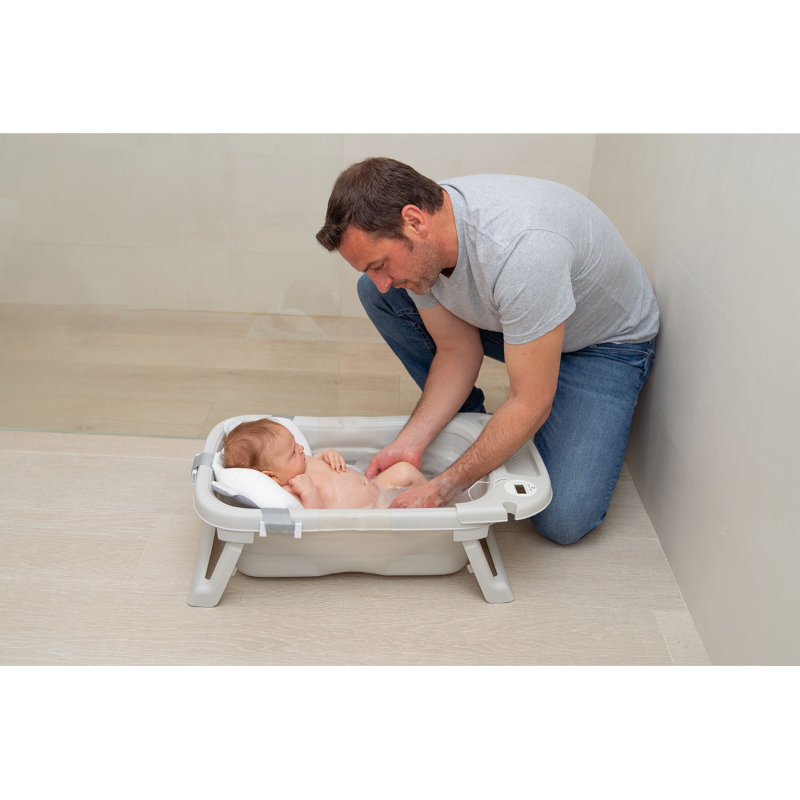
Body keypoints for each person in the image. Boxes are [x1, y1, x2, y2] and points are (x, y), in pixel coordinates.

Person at [315, 157, 659, 545]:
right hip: (521, 319)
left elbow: (531, 402)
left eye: (379, 264)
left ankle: (526, 413)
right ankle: (479, 422)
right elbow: (456, 351)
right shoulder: (428, 239)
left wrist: (444, 487)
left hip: (603, 345)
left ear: (414, 222)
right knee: (380, 295)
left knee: (563, 518)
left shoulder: (522, 251)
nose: (382, 280)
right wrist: (408, 444)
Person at [222, 418, 428, 509]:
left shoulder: (300, 462)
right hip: (375, 511)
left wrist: (328, 455)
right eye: (293, 452)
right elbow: (313, 519)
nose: (301, 448)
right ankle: (434, 517)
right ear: (272, 476)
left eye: (295, 443)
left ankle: (436, 501)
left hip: (377, 485)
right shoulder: (291, 489)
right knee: (405, 512)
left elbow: (319, 461)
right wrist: (309, 491)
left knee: (404, 470)